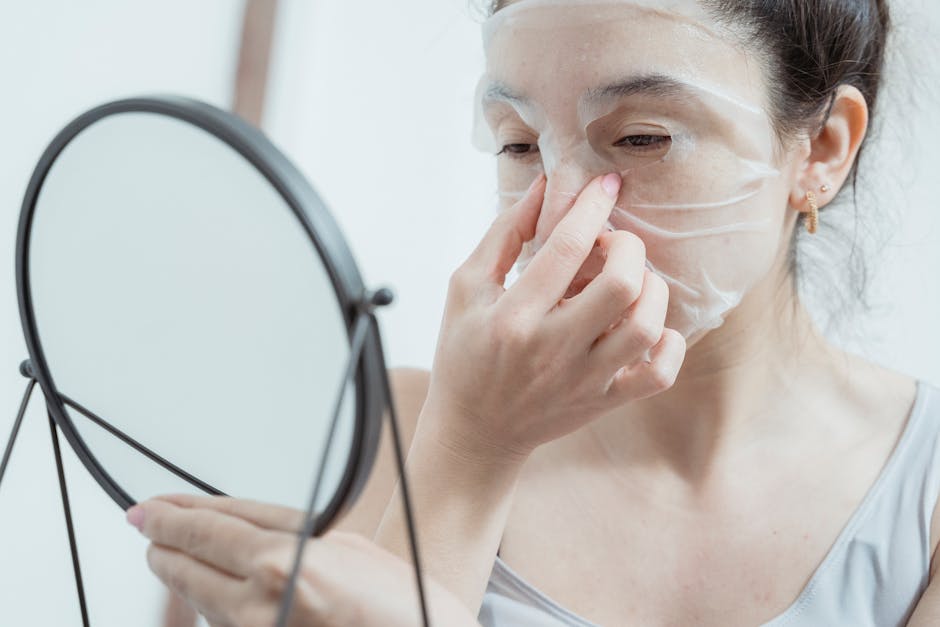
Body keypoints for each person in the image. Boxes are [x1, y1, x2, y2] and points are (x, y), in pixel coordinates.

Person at [128, 0, 940, 625]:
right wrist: (471, 447)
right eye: (519, 144)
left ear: (824, 147)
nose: (559, 217)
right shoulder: (396, 432)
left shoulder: (923, 490)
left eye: (643, 138)